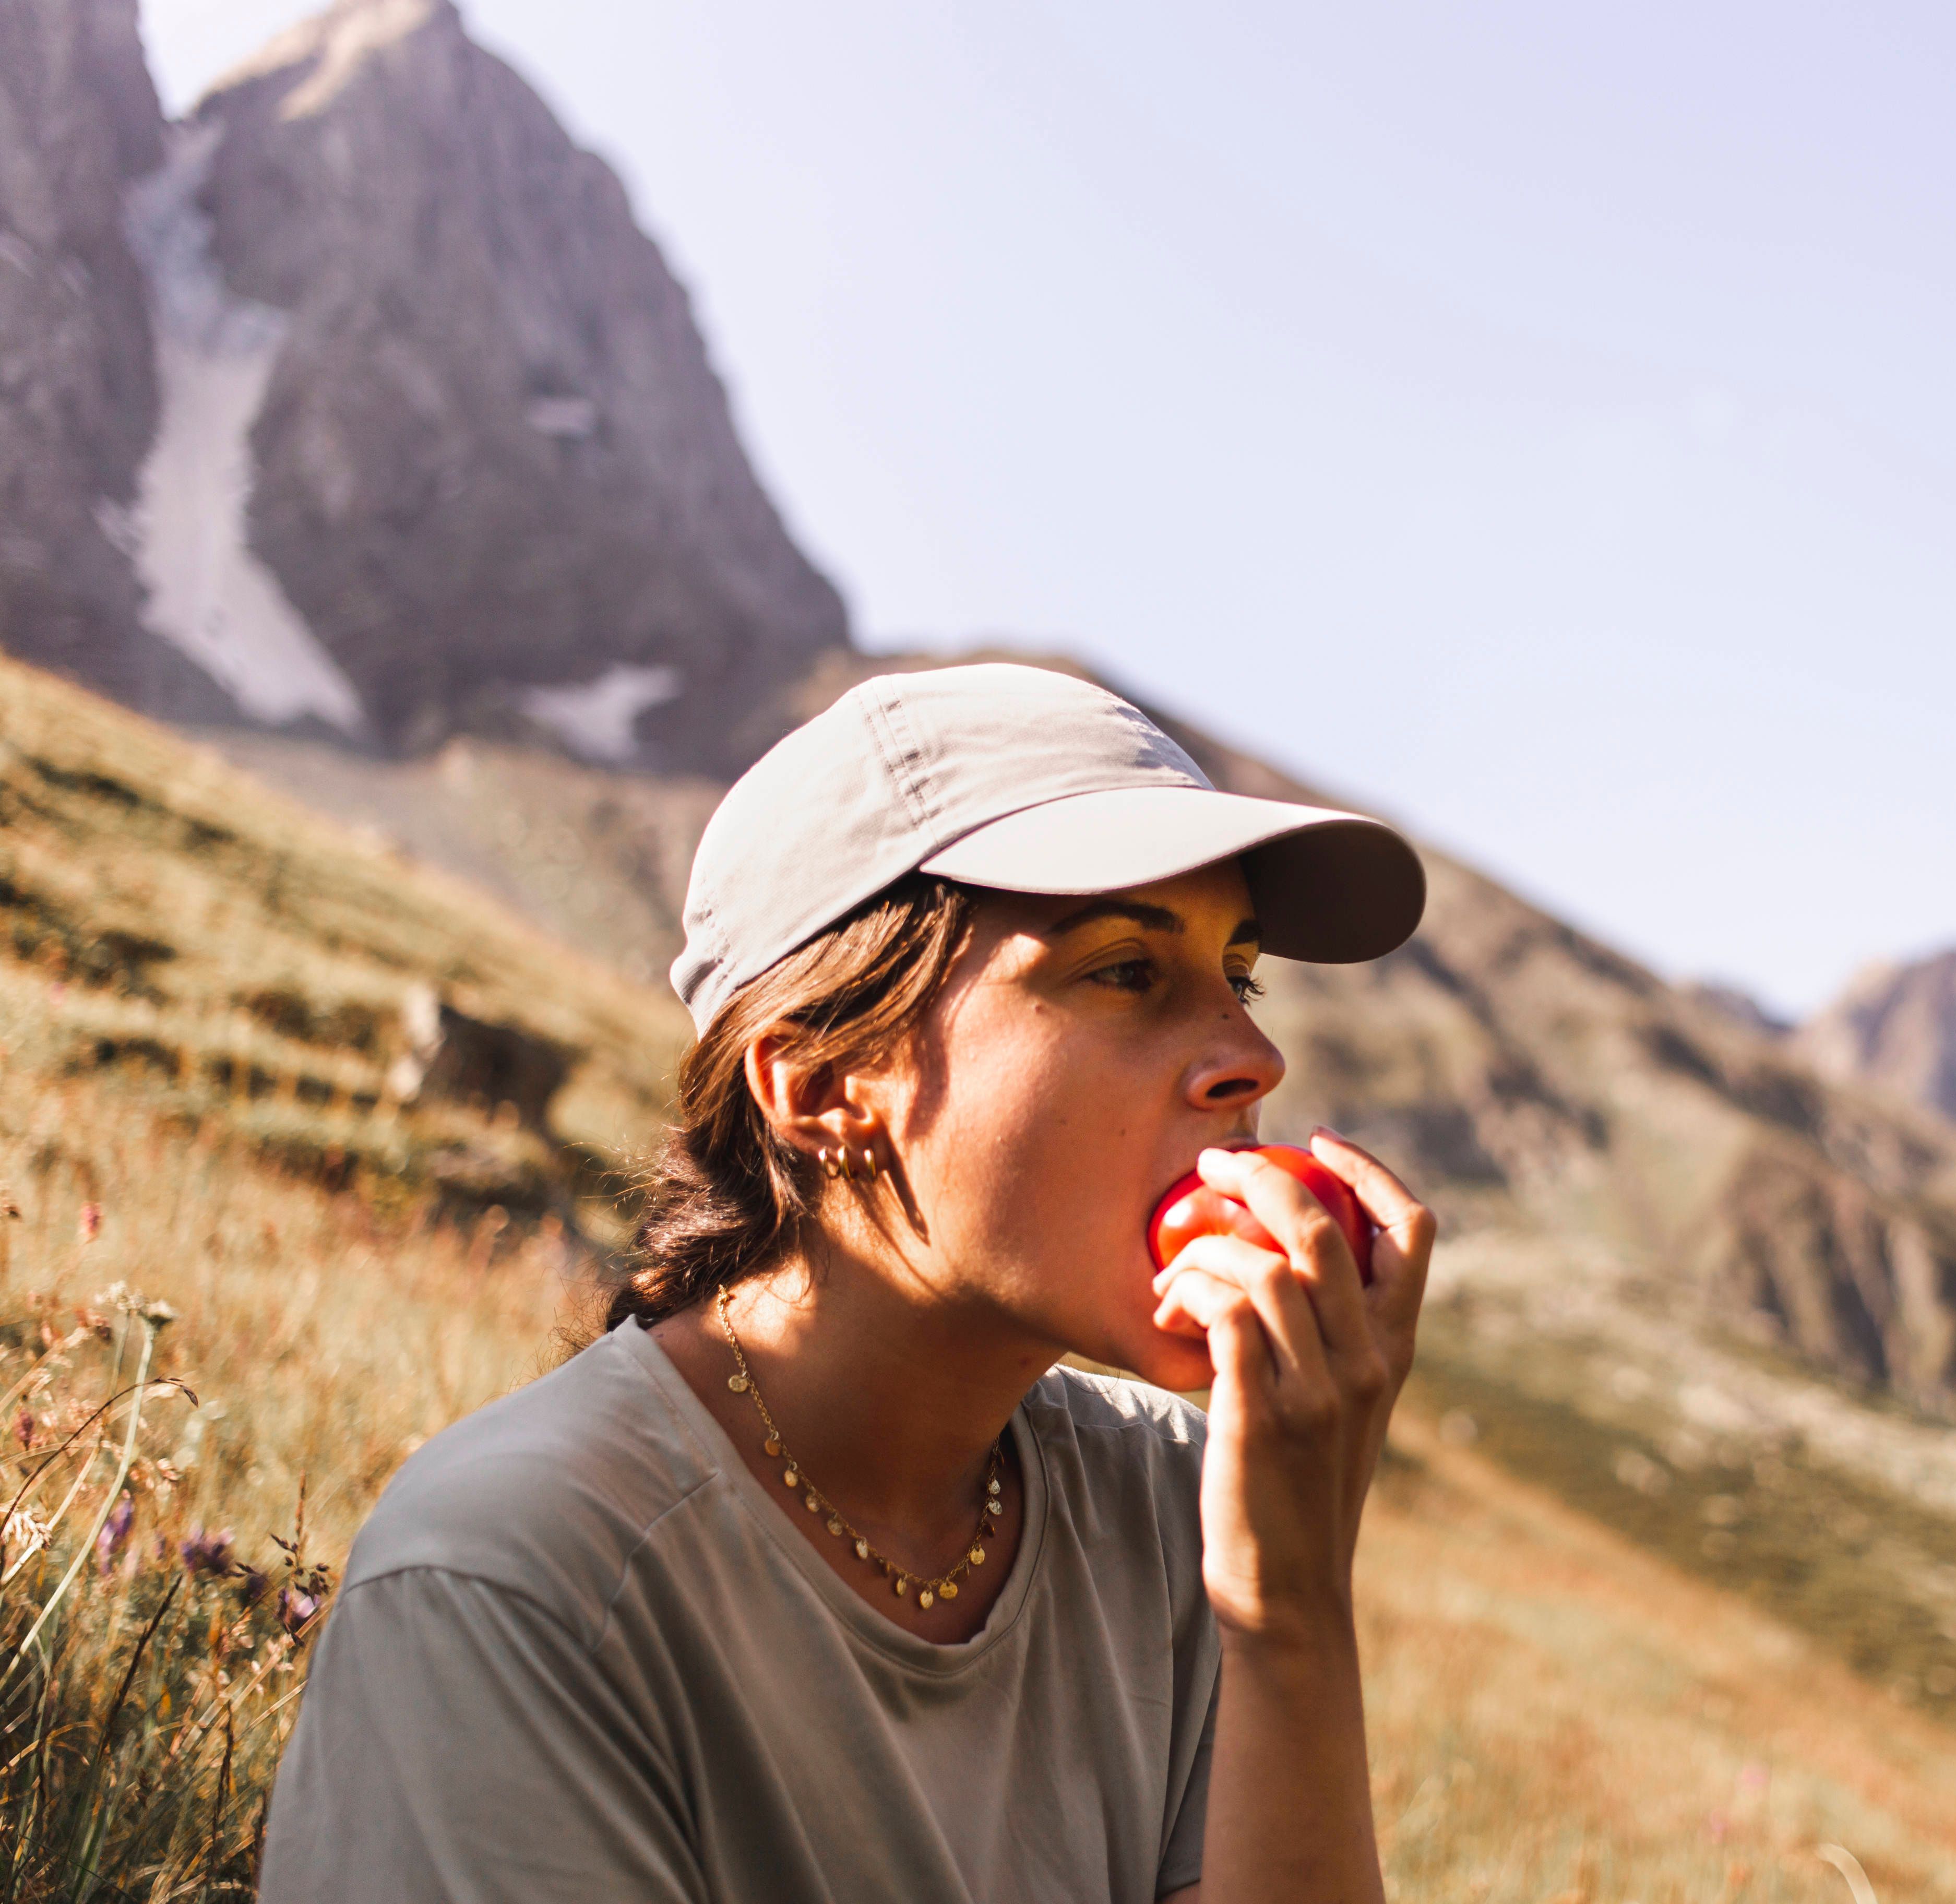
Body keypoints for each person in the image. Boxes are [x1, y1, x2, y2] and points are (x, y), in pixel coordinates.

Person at [259, 662, 1434, 1901]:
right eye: (1125, 972)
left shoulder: (1180, 1506)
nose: (1254, 1058)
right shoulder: (519, 1581)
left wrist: (1288, 1615)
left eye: (1238, 978)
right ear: (821, 1088)